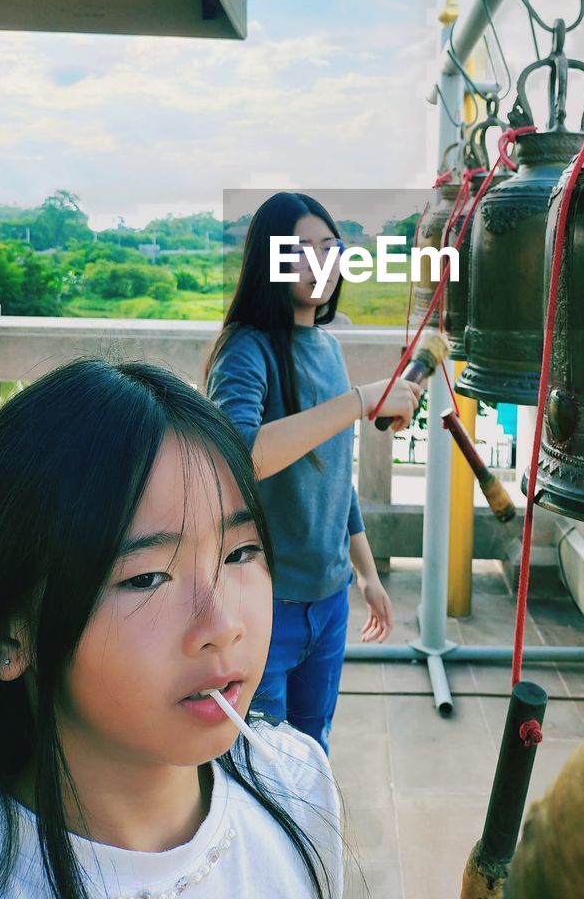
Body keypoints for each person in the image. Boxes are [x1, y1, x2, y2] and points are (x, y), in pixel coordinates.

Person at [0, 359, 343, 899]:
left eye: (240, 552)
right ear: (11, 635)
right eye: (147, 578)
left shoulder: (299, 785)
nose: (222, 626)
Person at [206, 192, 421, 754]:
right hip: (265, 608)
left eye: (329, 248)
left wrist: (367, 575)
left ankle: (306, 844)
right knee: (260, 764)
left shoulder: (328, 347)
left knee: (313, 748)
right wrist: (358, 401)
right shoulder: (247, 351)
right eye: (299, 250)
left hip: (330, 600)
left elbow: (335, 478)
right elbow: (238, 458)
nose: (319, 263)